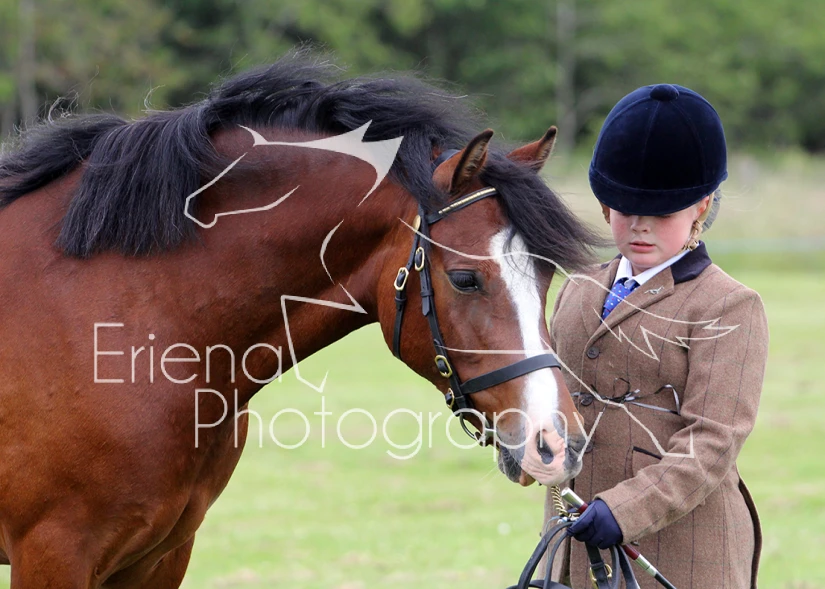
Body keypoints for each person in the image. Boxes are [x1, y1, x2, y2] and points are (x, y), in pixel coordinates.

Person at [540, 83, 769, 588]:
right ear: (605, 206)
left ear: (700, 207)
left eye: (661, 214)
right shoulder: (576, 288)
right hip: (573, 552)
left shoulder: (730, 306)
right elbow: (550, 399)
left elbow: (712, 443)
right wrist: (529, 443)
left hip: (681, 555)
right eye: (626, 209)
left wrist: (625, 510)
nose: (640, 227)